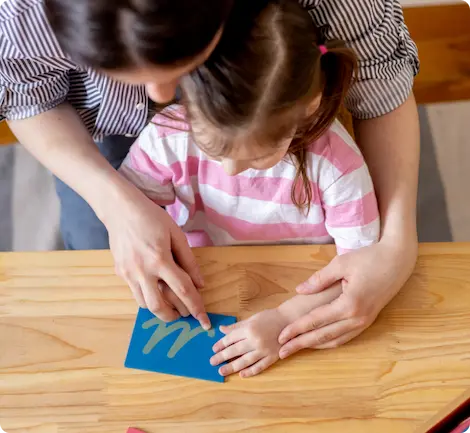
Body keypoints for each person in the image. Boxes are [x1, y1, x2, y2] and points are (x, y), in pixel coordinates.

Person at [0, 0, 420, 351]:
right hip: (106, 139)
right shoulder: (22, 15)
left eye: (177, 64)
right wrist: (113, 202)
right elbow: (25, 96)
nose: (164, 97)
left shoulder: (329, 162)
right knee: (105, 279)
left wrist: (399, 245)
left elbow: (384, 86)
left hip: (251, 116)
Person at [118, 0, 380, 376]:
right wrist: (155, 266)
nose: (231, 169)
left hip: (300, 297)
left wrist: (284, 320)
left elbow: (360, 267)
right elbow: (132, 220)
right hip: (206, 285)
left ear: (308, 107)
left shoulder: (337, 166)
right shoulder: (166, 137)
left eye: (258, 156)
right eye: (213, 148)